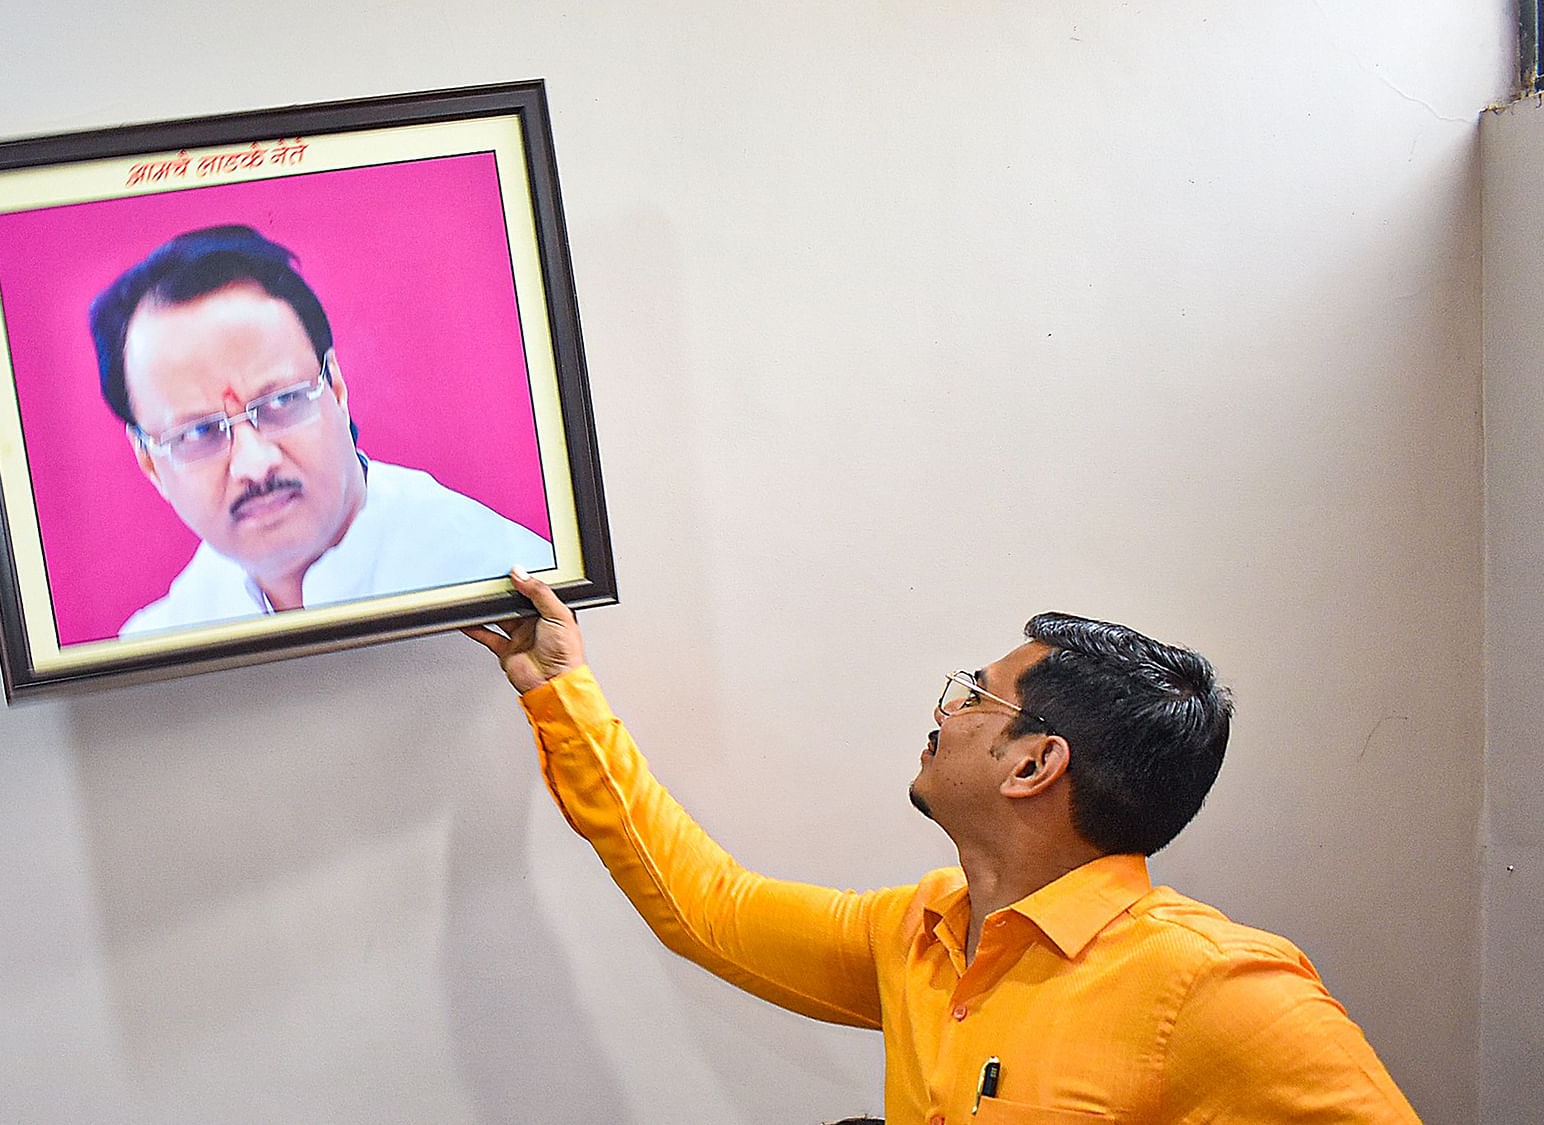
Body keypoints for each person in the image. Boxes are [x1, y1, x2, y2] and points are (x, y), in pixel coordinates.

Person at [466, 571, 1420, 1123]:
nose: (945, 706)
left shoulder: (1220, 990)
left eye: (975, 692)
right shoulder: (920, 932)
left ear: (1035, 763)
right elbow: (707, 908)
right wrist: (560, 690)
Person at [89, 225, 554, 637]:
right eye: (197, 433)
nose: (255, 464)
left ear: (335, 388)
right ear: (150, 463)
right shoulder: (157, 654)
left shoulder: (512, 591)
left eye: (281, 402)